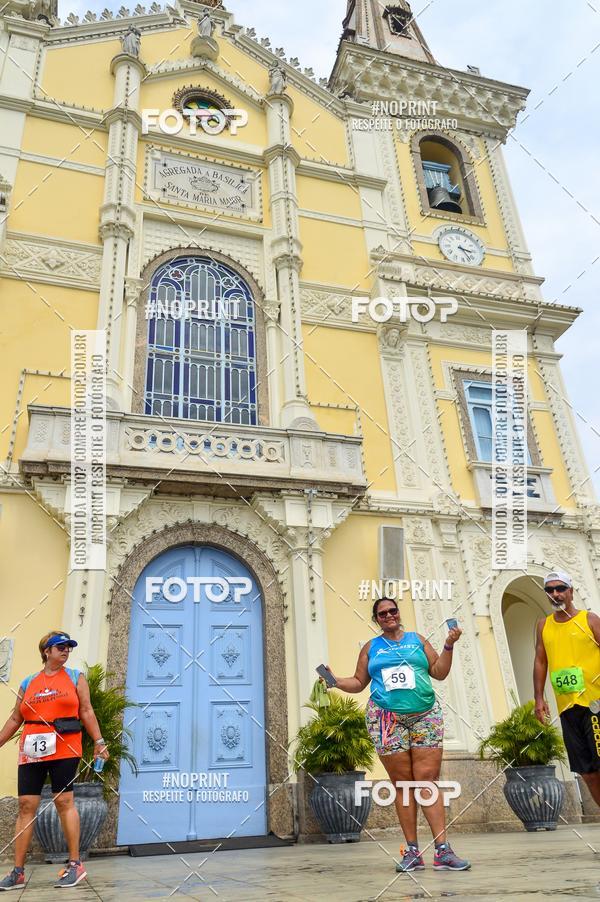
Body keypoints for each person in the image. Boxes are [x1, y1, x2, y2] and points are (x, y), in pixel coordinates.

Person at [325, 597, 470, 873]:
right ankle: (412, 852)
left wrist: (449, 644)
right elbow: (358, 682)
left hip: (425, 715)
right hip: (386, 719)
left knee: (427, 781)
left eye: (393, 610)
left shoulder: (417, 640)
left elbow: (439, 672)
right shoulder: (372, 648)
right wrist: (335, 681)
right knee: (403, 784)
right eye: (382, 613)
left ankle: (443, 851)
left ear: (398, 613)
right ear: (376, 619)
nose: (389, 615)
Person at [0, 631, 109, 891]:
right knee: (26, 804)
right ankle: (17, 872)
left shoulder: (75, 678)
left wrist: (99, 741)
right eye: (60, 646)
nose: (66, 650)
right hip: (32, 748)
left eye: (69, 647)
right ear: (46, 651)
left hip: (64, 746)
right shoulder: (29, 682)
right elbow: (16, 718)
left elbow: (86, 710)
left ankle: (75, 865)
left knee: (63, 801)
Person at [534, 570, 600, 806]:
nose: (555, 594)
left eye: (560, 589)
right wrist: (539, 699)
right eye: (550, 590)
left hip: (595, 704)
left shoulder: (589, 619)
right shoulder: (543, 625)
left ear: (571, 592)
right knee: (587, 771)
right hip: (567, 708)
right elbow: (541, 661)